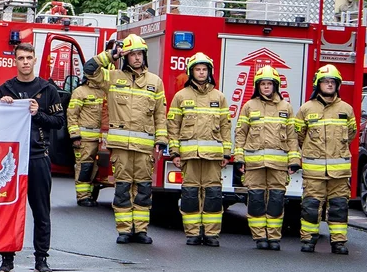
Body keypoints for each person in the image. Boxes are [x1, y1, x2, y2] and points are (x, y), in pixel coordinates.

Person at [84, 34, 167, 244]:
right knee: (122, 188)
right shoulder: (113, 78)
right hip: (120, 147)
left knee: (143, 189)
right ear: (125, 57)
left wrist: (162, 139)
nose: (137, 58)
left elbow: (160, 114)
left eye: (139, 54)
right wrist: (111, 55)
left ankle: (140, 230)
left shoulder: (155, 82)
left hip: (144, 148)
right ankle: (123, 230)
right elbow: (89, 69)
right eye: (132, 55)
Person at [0, 43, 65, 272]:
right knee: (8, 210)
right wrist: (1, 109)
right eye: (21, 58)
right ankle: (7, 260)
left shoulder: (48, 89)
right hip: (11, 160)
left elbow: (58, 122)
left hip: (38, 157)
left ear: (35, 60)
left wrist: (39, 113)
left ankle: (41, 259)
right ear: (15, 61)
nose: (25, 62)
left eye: (29, 58)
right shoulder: (5, 89)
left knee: (41, 211)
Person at [166, 53, 232, 247]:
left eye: (204, 69)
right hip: (189, 156)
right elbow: (173, 126)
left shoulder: (219, 97)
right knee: (190, 195)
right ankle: (193, 233)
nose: (201, 73)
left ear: (209, 72)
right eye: (197, 69)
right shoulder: (181, 96)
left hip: (213, 157)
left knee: (212, 195)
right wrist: (175, 152)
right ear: (191, 72)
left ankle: (211, 234)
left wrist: (226, 153)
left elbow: (225, 126)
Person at [234, 66, 300, 251]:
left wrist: (294, 160)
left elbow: (292, 136)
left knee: (276, 200)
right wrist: (239, 157)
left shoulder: (286, 107)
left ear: (275, 86)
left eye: (269, 84)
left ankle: (274, 237)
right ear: (257, 86)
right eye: (263, 84)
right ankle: (259, 237)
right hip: (254, 165)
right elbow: (240, 134)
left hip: (278, 166)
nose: (266, 87)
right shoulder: (249, 106)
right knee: (256, 200)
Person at [296, 65, 357, 255]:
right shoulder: (306, 109)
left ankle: (338, 242)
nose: (329, 85)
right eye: (325, 81)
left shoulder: (346, 109)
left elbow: (352, 133)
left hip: (339, 172)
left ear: (337, 84)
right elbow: (298, 135)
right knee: (311, 207)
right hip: (314, 173)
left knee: (339, 206)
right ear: (318, 84)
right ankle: (308, 240)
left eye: (333, 82)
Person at [66, 71, 105, 207]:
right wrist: (75, 136)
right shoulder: (80, 92)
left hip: (101, 139)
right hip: (84, 139)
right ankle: (82, 196)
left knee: (95, 169)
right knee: (84, 167)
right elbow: (72, 115)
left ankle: (90, 194)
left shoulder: (104, 91)